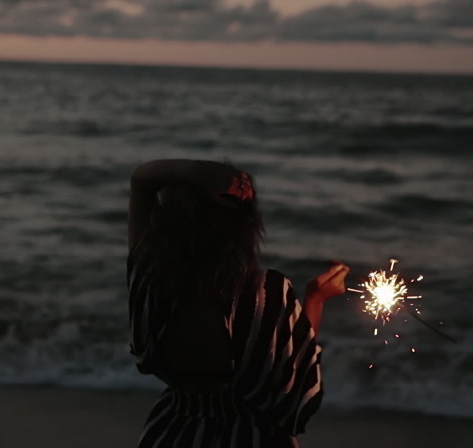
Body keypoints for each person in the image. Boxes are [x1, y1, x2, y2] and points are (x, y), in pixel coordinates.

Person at [127, 159, 349, 447]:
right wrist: (315, 299)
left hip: (172, 433)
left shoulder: (149, 279)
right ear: (245, 225)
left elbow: (140, 182)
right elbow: (292, 397)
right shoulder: (263, 292)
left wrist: (198, 172)